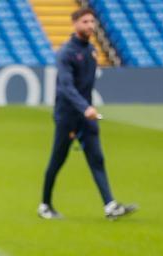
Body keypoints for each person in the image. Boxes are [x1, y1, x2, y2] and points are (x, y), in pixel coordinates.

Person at [38, 8, 136, 221]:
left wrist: (87, 108)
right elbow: (66, 87)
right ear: (74, 24)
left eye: (92, 21)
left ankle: (110, 205)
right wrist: (84, 107)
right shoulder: (66, 53)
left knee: (97, 158)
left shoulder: (92, 50)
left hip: (86, 115)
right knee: (57, 160)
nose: (90, 26)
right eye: (85, 22)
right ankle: (45, 205)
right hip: (68, 116)